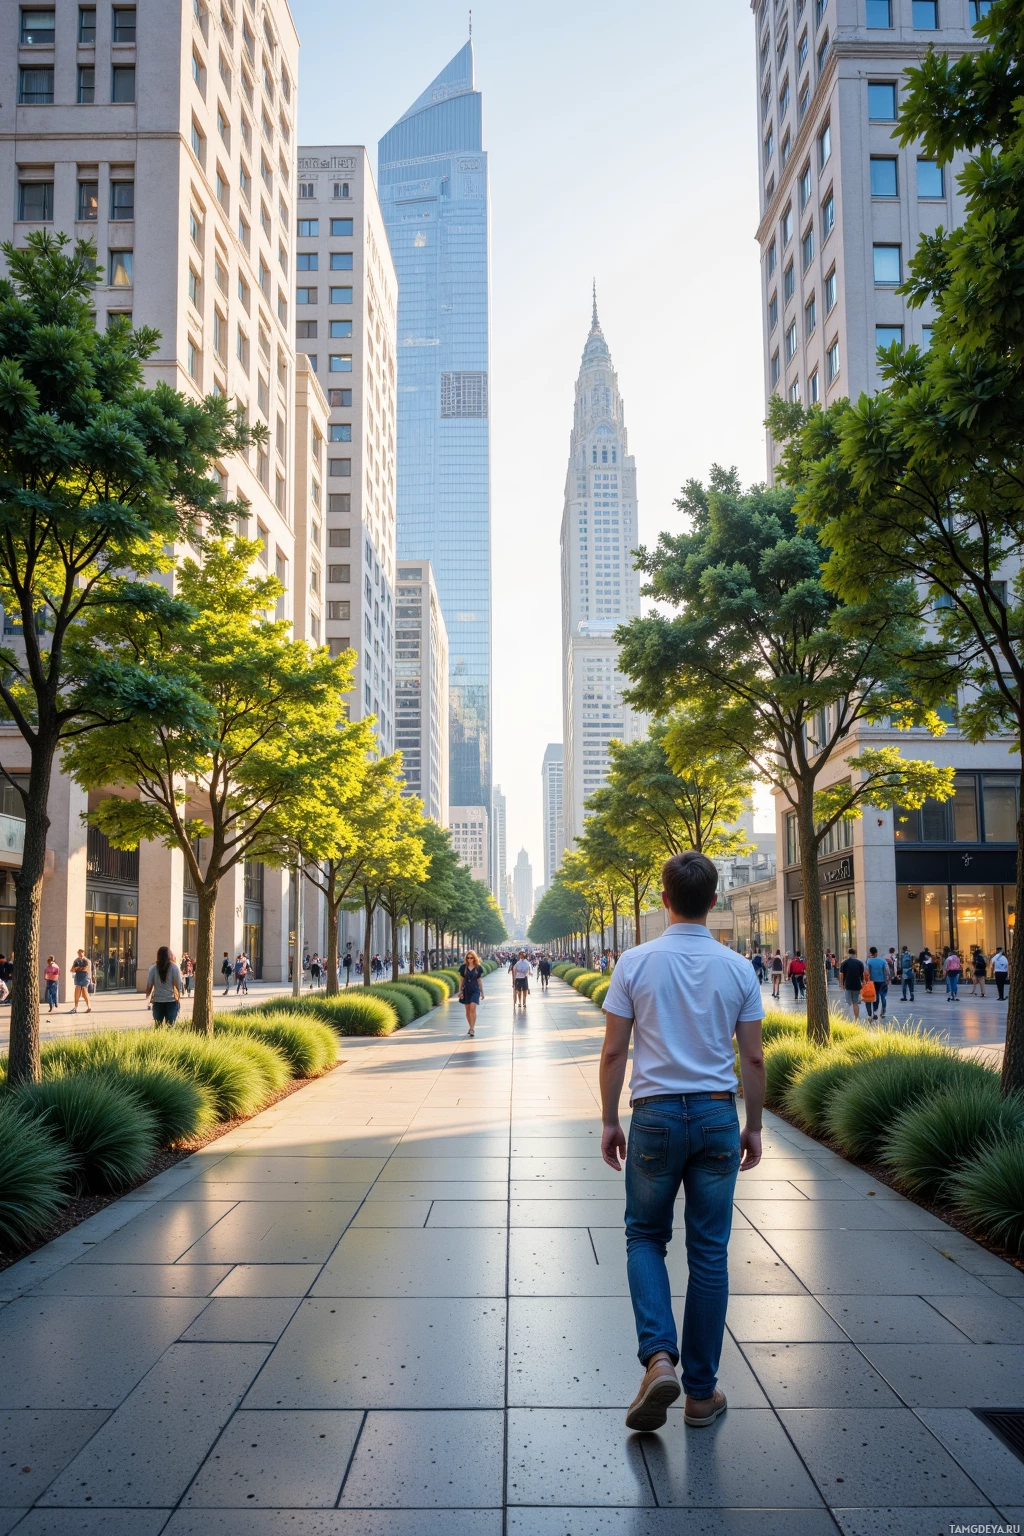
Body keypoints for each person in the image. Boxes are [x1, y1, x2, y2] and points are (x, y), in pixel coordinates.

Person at [599, 850, 765, 1433]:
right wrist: (755, 1126)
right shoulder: (738, 968)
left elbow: (615, 1050)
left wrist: (608, 1118)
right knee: (710, 1252)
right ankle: (700, 1394)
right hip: (719, 1115)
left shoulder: (635, 962)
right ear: (714, 902)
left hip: (654, 1116)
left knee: (645, 1235)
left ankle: (659, 1358)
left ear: (663, 900)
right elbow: (752, 1056)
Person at [146, 945, 182, 1027]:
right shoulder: (174, 968)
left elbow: (149, 985)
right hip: (171, 1001)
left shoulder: (152, 968)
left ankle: (158, 1039)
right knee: (170, 1027)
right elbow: (178, 985)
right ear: (169, 955)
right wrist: (178, 998)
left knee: (158, 1027)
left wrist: (148, 998)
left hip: (158, 1001)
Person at [459, 948, 485, 1037]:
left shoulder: (478, 968)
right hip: (466, 989)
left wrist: (482, 992)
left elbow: (479, 980)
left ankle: (472, 1028)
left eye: (471, 958)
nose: (470, 959)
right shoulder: (463, 967)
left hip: (475, 990)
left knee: (473, 1008)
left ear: (474, 958)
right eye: (468, 958)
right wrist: (460, 991)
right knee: (468, 1010)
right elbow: (461, 980)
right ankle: (470, 1026)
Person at [839, 948, 865, 1020]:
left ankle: (847, 1018)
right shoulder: (860, 963)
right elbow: (861, 974)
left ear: (848, 954)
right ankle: (856, 1018)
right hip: (857, 985)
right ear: (855, 954)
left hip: (848, 984)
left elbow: (841, 974)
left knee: (848, 1002)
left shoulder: (844, 963)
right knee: (855, 1003)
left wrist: (842, 983)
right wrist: (863, 982)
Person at [864, 947, 889, 1019]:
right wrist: (887, 978)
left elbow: (867, 971)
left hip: (873, 981)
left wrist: (866, 980)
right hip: (883, 981)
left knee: (876, 996)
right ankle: (883, 1011)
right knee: (883, 996)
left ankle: (875, 1012)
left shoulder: (869, 961)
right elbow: (887, 970)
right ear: (876, 953)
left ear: (870, 953)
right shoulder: (882, 960)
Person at [70, 948, 92, 1013]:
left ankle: (87, 1006)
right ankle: (77, 1007)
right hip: (80, 977)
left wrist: (77, 968)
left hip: (84, 977)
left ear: (83, 953)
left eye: (81, 952)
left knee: (84, 993)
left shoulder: (86, 961)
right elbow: (72, 969)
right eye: (79, 953)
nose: (80, 954)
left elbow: (87, 969)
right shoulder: (76, 960)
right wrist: (75, 968)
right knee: (78, 993)